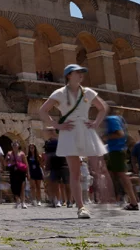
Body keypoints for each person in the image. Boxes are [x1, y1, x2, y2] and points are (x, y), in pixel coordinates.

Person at [38, 64, 111, 219]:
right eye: (77, 73)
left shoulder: (88, 92)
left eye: (81, 73)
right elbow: (42, 110)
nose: (80, 75)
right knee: (75, 172)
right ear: (68, 76)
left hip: (86, 129)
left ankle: (105, 201)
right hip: (69, 131)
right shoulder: (59, 93)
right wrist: (57, 125)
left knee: (98, 168)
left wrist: (96, 123)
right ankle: (81, 207)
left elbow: (102, 108)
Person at [102, 102, 139, 210]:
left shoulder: (111, 119)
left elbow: (120, 134)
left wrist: (104, 137)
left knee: (122, 176)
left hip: (116, 151)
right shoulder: (118, 118)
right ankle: (116, 199)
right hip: (116, 150)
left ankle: (133, 201)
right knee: (113, 175)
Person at [42, 127, 69, 207]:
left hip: (62, 164)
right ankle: (56, 200)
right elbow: (47, 156)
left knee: (65, 184)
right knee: (53, 183)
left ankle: (66, 200)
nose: (49, 132)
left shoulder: (61, 140)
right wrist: (46, 166)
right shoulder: (48, 142)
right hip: (53, 165)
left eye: (51, 130)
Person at [6, 141, 28, 209]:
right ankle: (17, 200)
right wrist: (11, 164)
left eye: (16, 144)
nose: (15, 145)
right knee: (14, 186)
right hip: (13, 171)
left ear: (18, 145)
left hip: (21, 171)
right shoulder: (9, 153)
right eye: (13, 144)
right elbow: (6, 163)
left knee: (22, 186)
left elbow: (26, 164)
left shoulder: (22, 154)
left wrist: (28, 173)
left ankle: (23, 202)